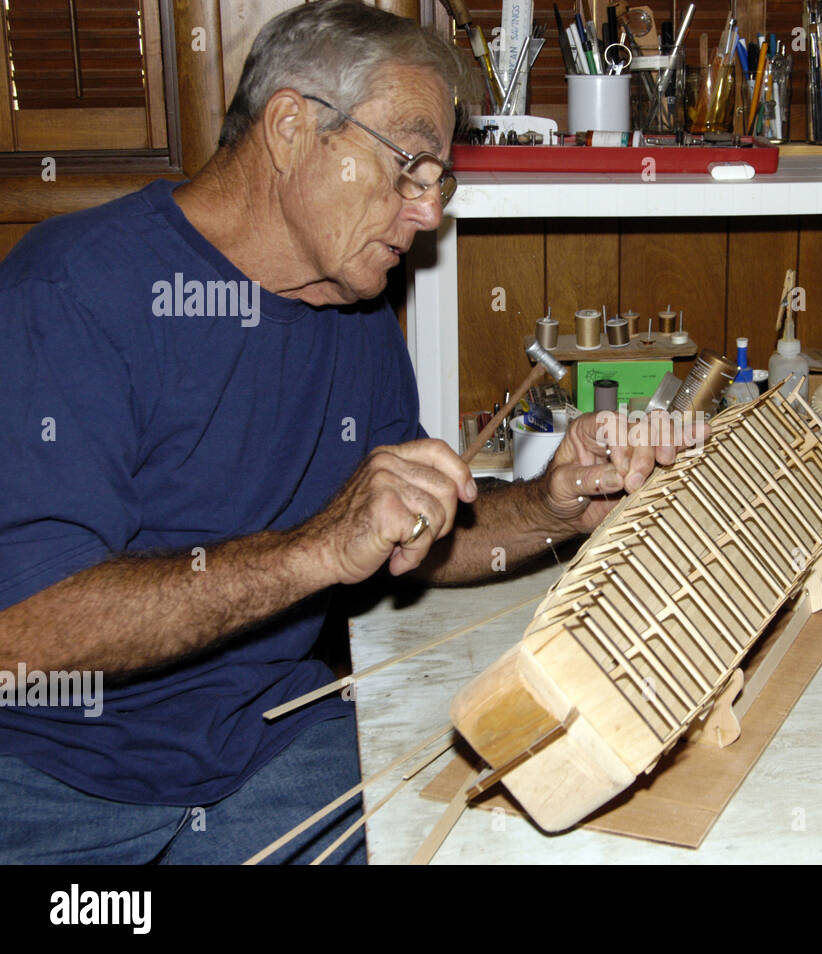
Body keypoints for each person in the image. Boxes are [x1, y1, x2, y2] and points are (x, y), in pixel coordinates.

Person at [0, 0, 701, 864]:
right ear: (292, 128)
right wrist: (315, 551)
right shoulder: (73, 290)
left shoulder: (351, 308)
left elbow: (403, 539)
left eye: (438, 182)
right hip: (51, 783)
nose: (428, 214)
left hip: (273, 748)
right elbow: (20, 627)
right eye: (410, 167)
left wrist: (553, 505)